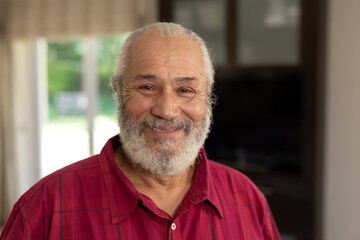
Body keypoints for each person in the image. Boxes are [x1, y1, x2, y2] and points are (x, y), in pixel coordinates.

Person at [1, 22, 280, 239]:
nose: (167, 110)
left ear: (207, 99)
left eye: (185, 90)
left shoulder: (248, 200)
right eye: (147, 87)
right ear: (118, 92)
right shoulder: (43, 210)